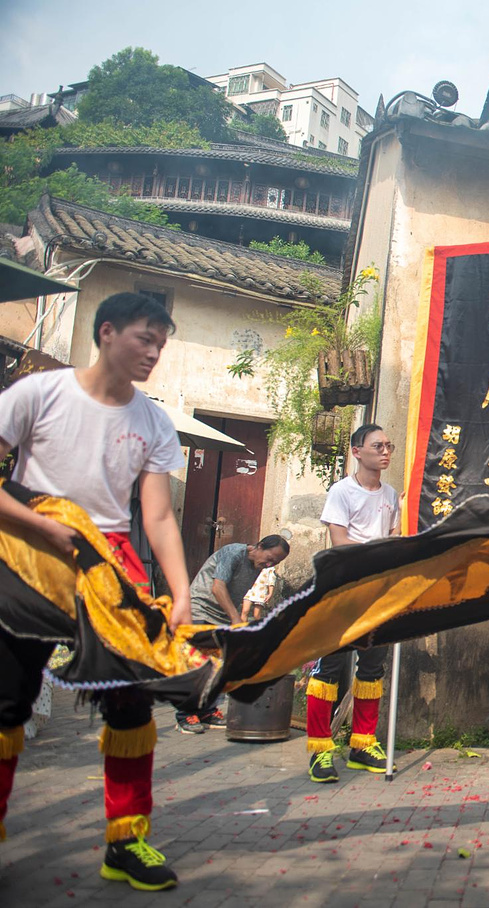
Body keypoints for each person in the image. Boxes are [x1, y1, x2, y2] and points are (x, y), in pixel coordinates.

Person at [0, 293, 188, 890]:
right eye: (144, 339)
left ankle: (125, 841)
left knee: (131, 702)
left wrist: (180, 592)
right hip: (28, 553)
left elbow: (157, 516)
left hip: (108, 564)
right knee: (7, 698)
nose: (153, 353)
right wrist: (43, 527)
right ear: (106, 332)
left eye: (161, 344)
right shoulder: (37, 394)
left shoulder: (154, 421)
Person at [304, 423, 400, 783]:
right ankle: (320, 749)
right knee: (329, 669)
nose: (385, 452)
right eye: (378, 446)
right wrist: (378, 552)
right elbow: (340, 540)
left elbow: (394, 536)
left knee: (372, 668)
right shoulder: (341, 491)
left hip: (377, 593)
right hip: (342, 589)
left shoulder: (391, 494)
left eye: (388, 446)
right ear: (357, 452)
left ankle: (362, 743)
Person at [175, 536, 291, 733]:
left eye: (275, 563)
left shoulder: (258, 566)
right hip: (200, 609)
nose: (269, 565)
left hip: (222, 616)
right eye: (270, 558)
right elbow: (218, 587)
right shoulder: (233, 553)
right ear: (259, 546)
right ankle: (184, 715)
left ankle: (206, 712)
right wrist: (236, 618)